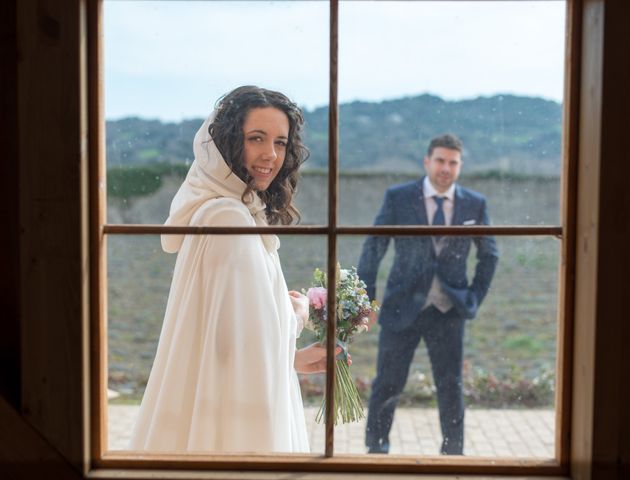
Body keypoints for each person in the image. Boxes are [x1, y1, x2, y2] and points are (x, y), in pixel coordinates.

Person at [129, 86, 337, 454]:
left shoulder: (224, 209)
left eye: (280, 142)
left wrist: (291, 357)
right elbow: (240, 339)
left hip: (226, 394)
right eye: (256, 138)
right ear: (227, 143)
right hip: (232, 411)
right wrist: (299, 313)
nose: (270, 155)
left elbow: (228, 340)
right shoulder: (227, 216)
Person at [358, 133, 499, 455]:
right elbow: (373, 248)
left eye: (453, 162)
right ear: (427, 161)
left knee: (450, 385)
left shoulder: (475, 204)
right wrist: (368, 300)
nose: (446, 168)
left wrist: (473, 297)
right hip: (401, 306)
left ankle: (453, 452)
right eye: (440, 160)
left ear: (460, 166)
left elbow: (490, 254)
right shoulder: (398, 197)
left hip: (448, 309)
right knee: (388, 381)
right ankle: (376, 448)